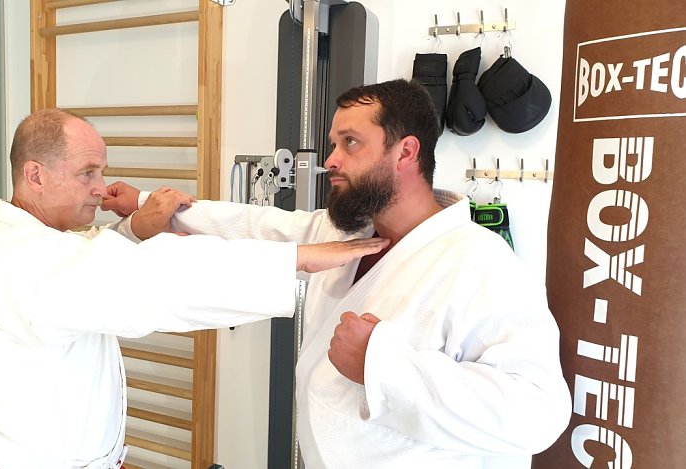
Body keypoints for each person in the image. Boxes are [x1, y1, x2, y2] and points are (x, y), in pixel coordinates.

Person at [105, 79, 572, 468]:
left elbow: (538, 414)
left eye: (350, 143)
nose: (331, 160)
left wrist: (380, 364)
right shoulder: (351, 232)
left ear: (405, 152)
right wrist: (149, 205)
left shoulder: (480, 262)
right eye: (334, 144)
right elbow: (261, 227)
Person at [0, 109, 388, 469]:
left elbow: (87, 268)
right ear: (36, 176)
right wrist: (294, 260)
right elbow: (145, 280)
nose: (101, 189)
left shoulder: (34, 245)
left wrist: (135, 226)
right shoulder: (15, 261)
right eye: (87, 173)